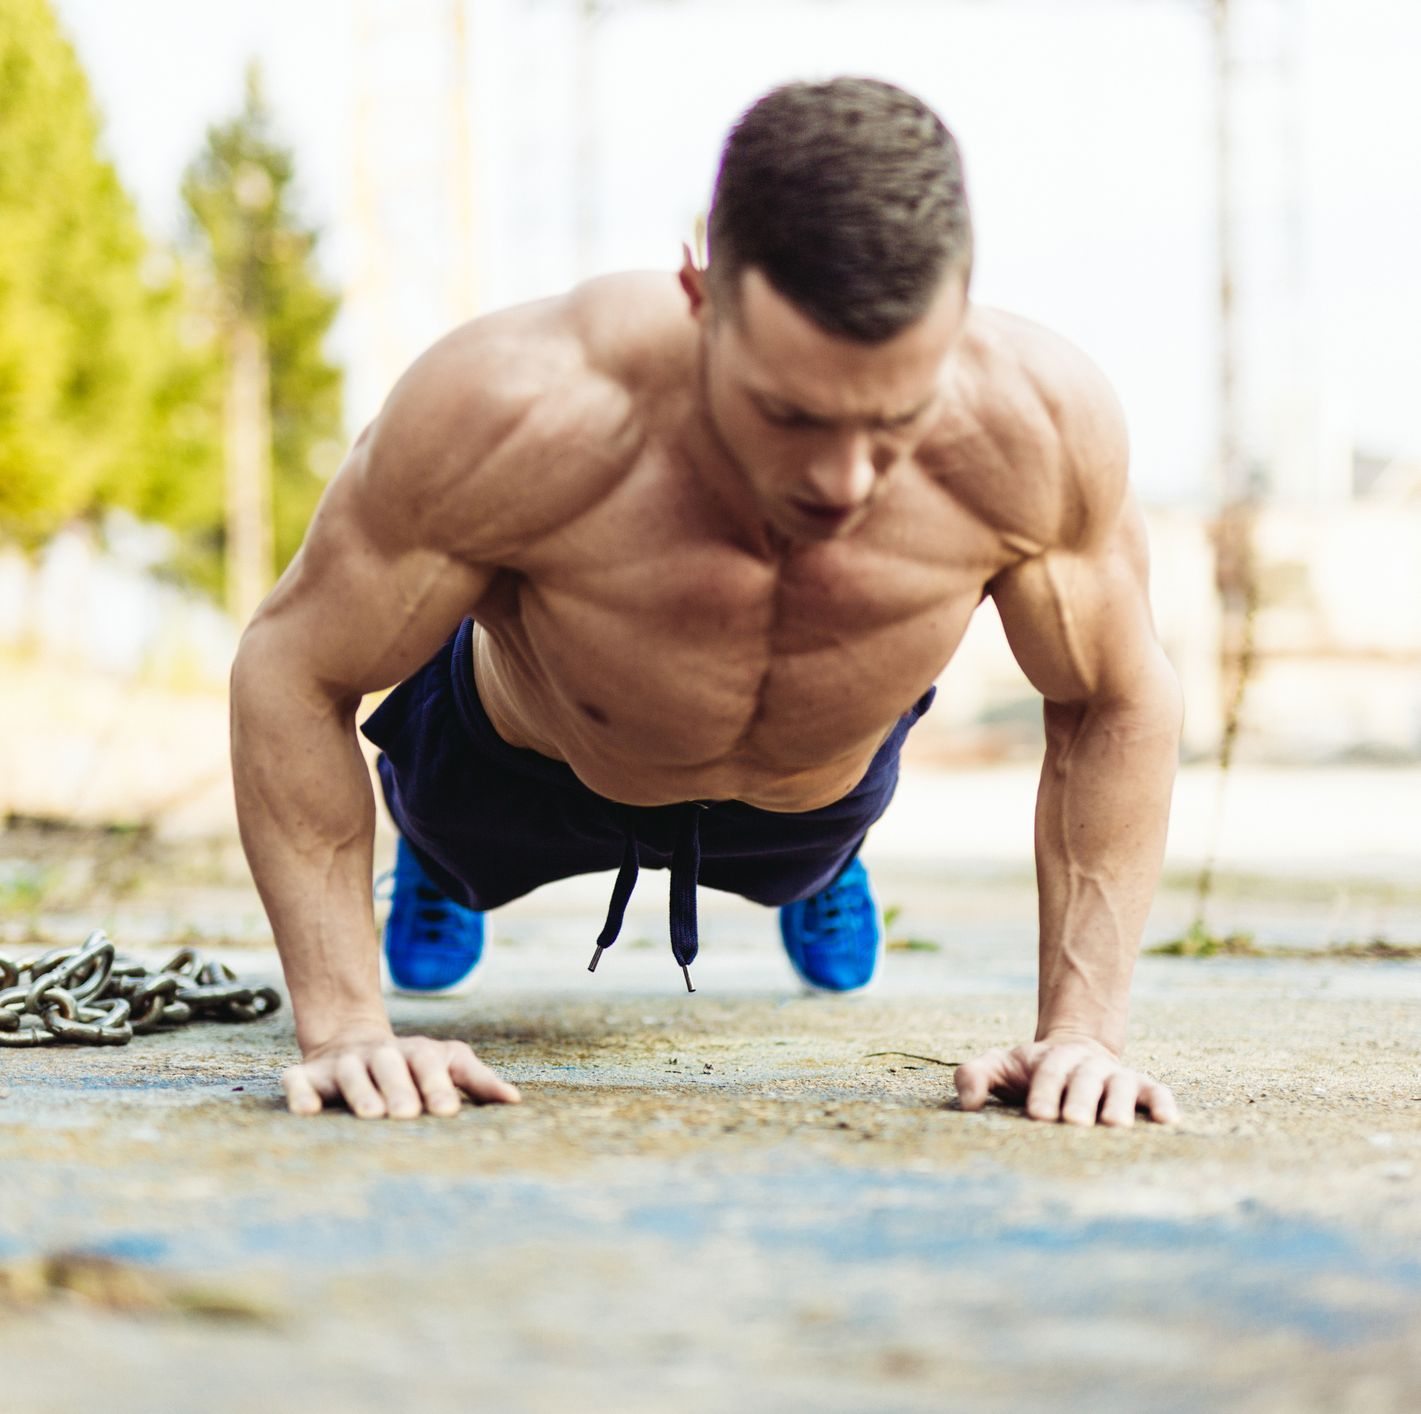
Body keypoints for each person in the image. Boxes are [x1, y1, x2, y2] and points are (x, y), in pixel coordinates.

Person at [231, 77, 1183, 1128]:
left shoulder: (1038, 426)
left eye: (894, 419)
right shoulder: (514, 406)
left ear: (957, 312)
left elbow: (1113, 696)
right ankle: (436, 866)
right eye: (789, 413)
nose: (843, 482)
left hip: (810, 795)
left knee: (806, 837)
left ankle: (826, 871)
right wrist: (345, 1027)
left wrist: (1081, 1033)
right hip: (514, 769)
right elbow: (293, 665)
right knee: (449, 834)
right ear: (699, 290)